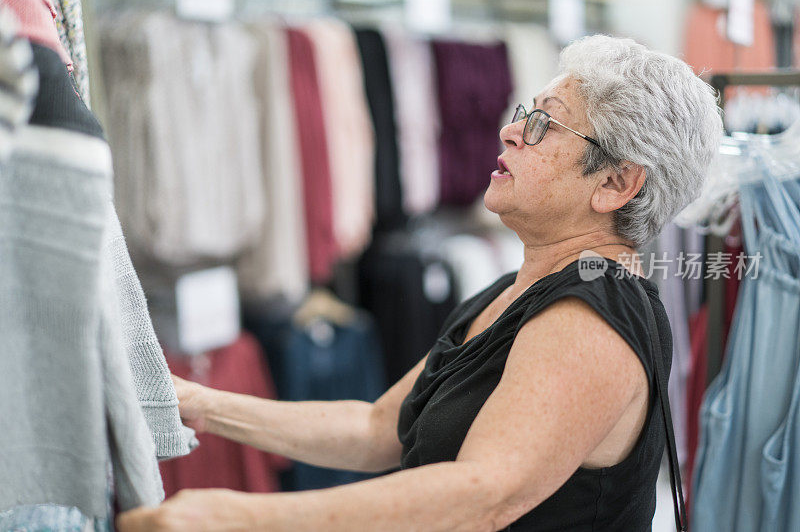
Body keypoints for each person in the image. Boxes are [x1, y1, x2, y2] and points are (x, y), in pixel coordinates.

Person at [117, 34, 722, 531]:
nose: (512, 133)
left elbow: (481, 496)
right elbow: (377, 429)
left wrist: (243, 519)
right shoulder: (516, 290)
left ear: (617, 184)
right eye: (523, 115)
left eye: (545, 126)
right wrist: (196, 403)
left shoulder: (594, 311)